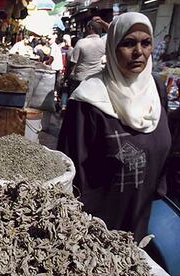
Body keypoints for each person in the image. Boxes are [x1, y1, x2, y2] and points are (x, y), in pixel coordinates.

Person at [57, 12, 171, 242]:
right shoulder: (88, 100)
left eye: (146, 43)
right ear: (112, 47)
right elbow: (68, 169)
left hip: (141, 217)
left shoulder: (156, 89)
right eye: (128, 43)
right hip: (96, 228)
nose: (139, 52)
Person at [63, 20, 105, 96]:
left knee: (76, 104)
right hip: (96, 80)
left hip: (80, 79)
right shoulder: (103, 43)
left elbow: (73, 63)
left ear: (90, 28)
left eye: (86, 28)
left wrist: (66, 77)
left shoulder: (81, 42)